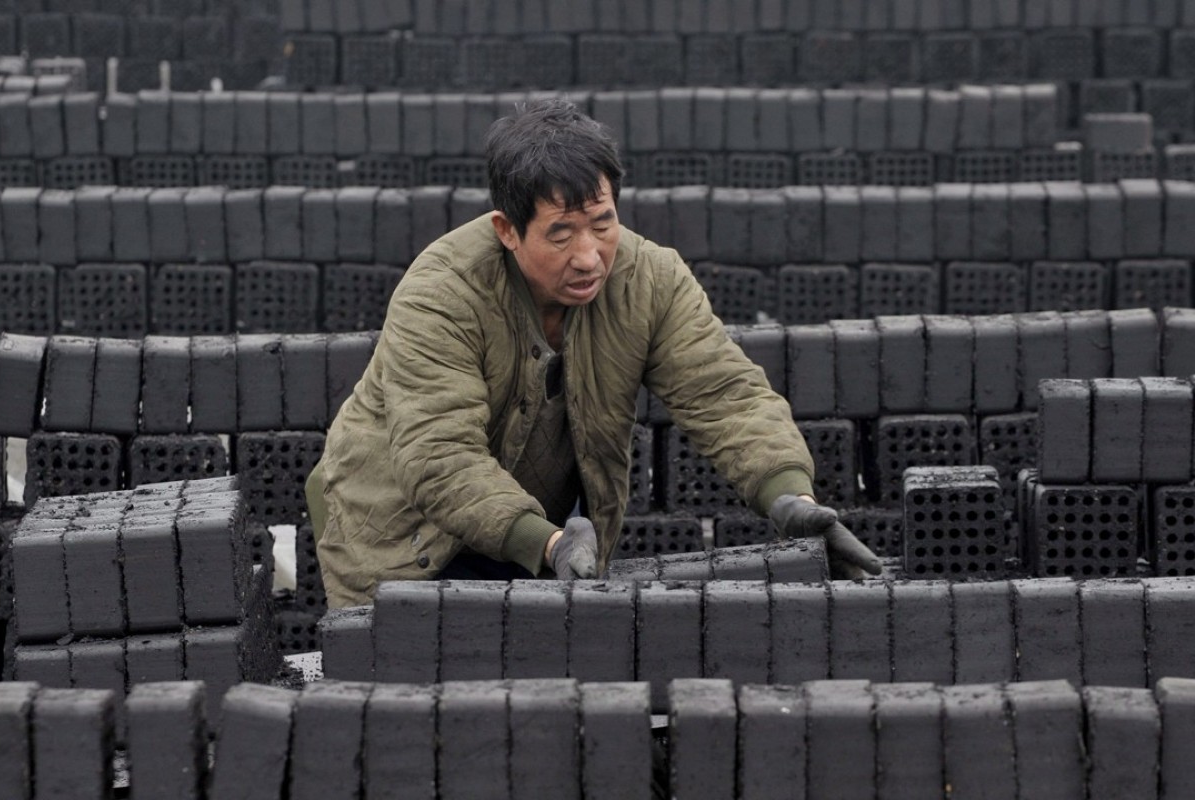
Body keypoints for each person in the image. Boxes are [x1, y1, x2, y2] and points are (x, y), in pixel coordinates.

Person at [305, 98, 881, 608]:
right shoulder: (441, 294)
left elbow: (725, 395)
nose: (589, 256)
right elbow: (439, 455)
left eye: (602, 224)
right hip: (404, 542)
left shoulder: (650, 280)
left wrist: (789, 497)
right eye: (561, 233)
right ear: (507, 229)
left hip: (543, 539)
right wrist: (549, 543)